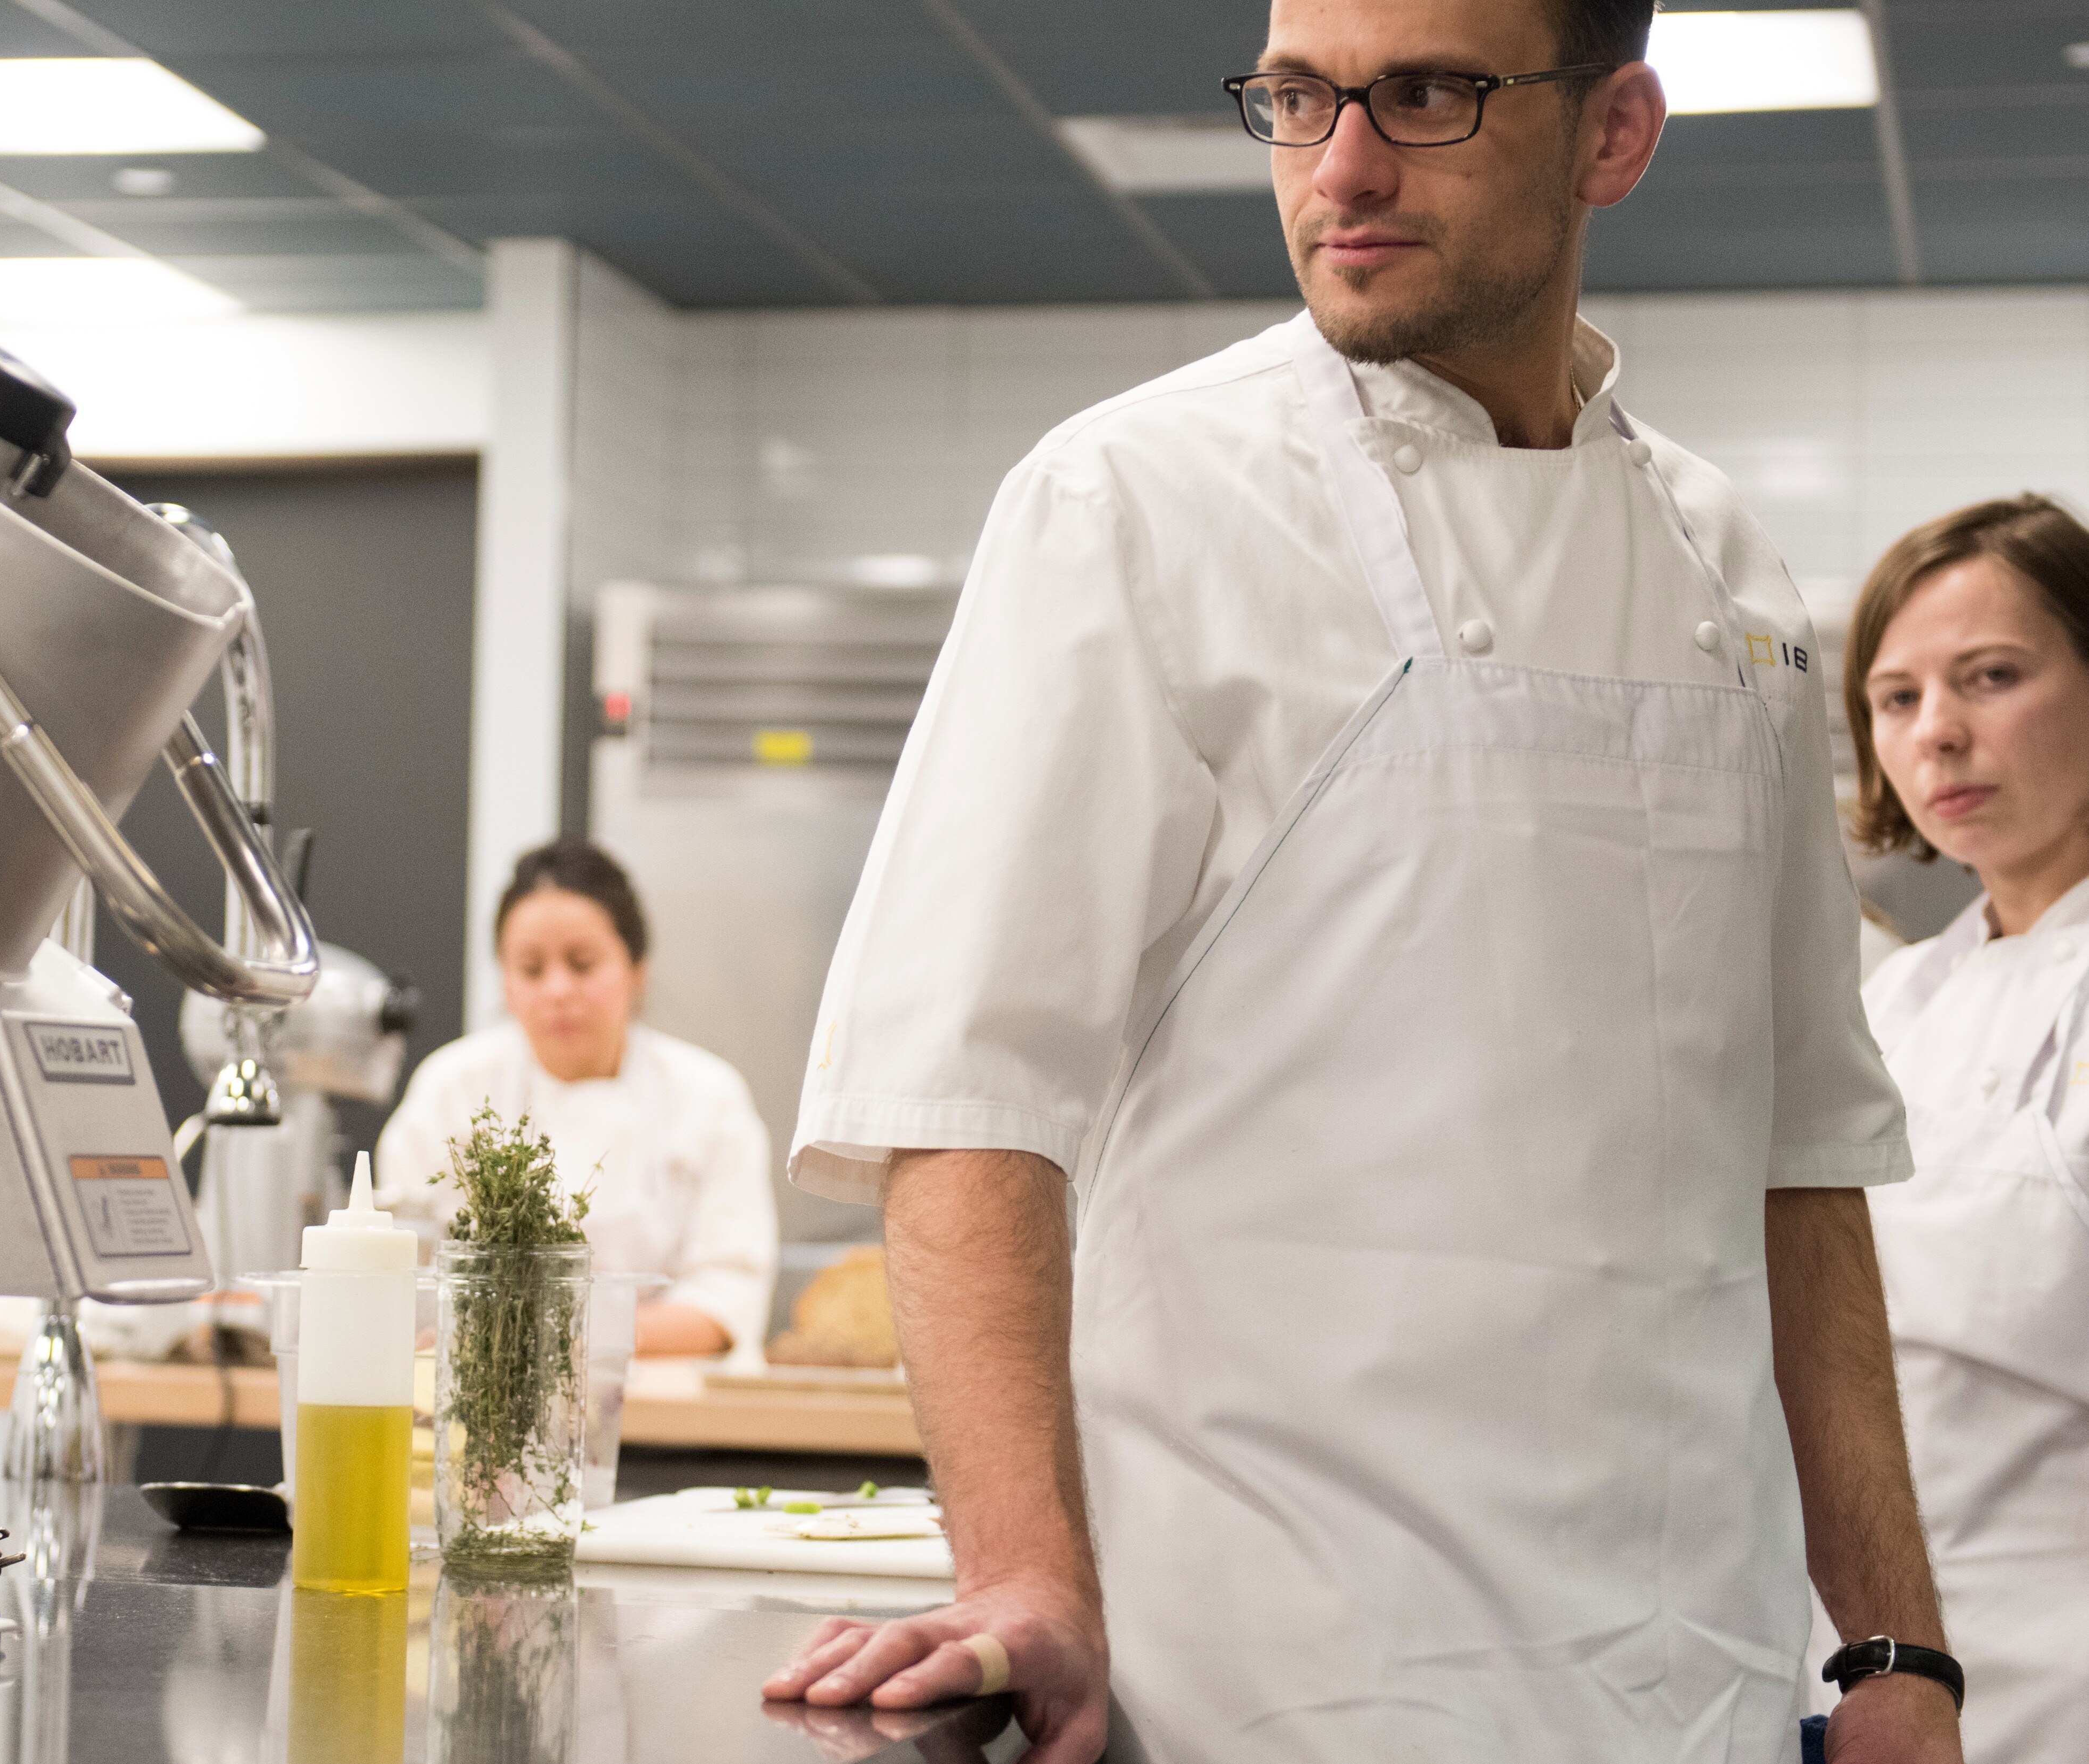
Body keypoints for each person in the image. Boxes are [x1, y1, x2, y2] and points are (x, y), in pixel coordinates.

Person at [759, 0, 1963, 1758]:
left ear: (1609, 133)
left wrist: (1891, 1649)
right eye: (1297, 98)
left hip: (1682, 1680)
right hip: (1268, 1676)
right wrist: (1018, 1573)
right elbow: (964, 1100)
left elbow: (1798, 1158)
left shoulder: (1728, 576)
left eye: (1423, 94)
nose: (1339, 167)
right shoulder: (1131, 505)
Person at [1842, 494, 2089, 1760]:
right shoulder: (1896, 1001)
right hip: (1895, 1682)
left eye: (1990, 677)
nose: (1938, 733)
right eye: (1896, 699)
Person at [373, 839, 778, 1358]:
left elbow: (725, 1297)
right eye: (531, 969)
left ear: (636, 969)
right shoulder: (452, 1089)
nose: (558, 990)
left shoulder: (707, 1097)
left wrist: (569, 1343)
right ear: (505, 979)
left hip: (663, 1412)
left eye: (582, 963)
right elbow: (407, 1272)